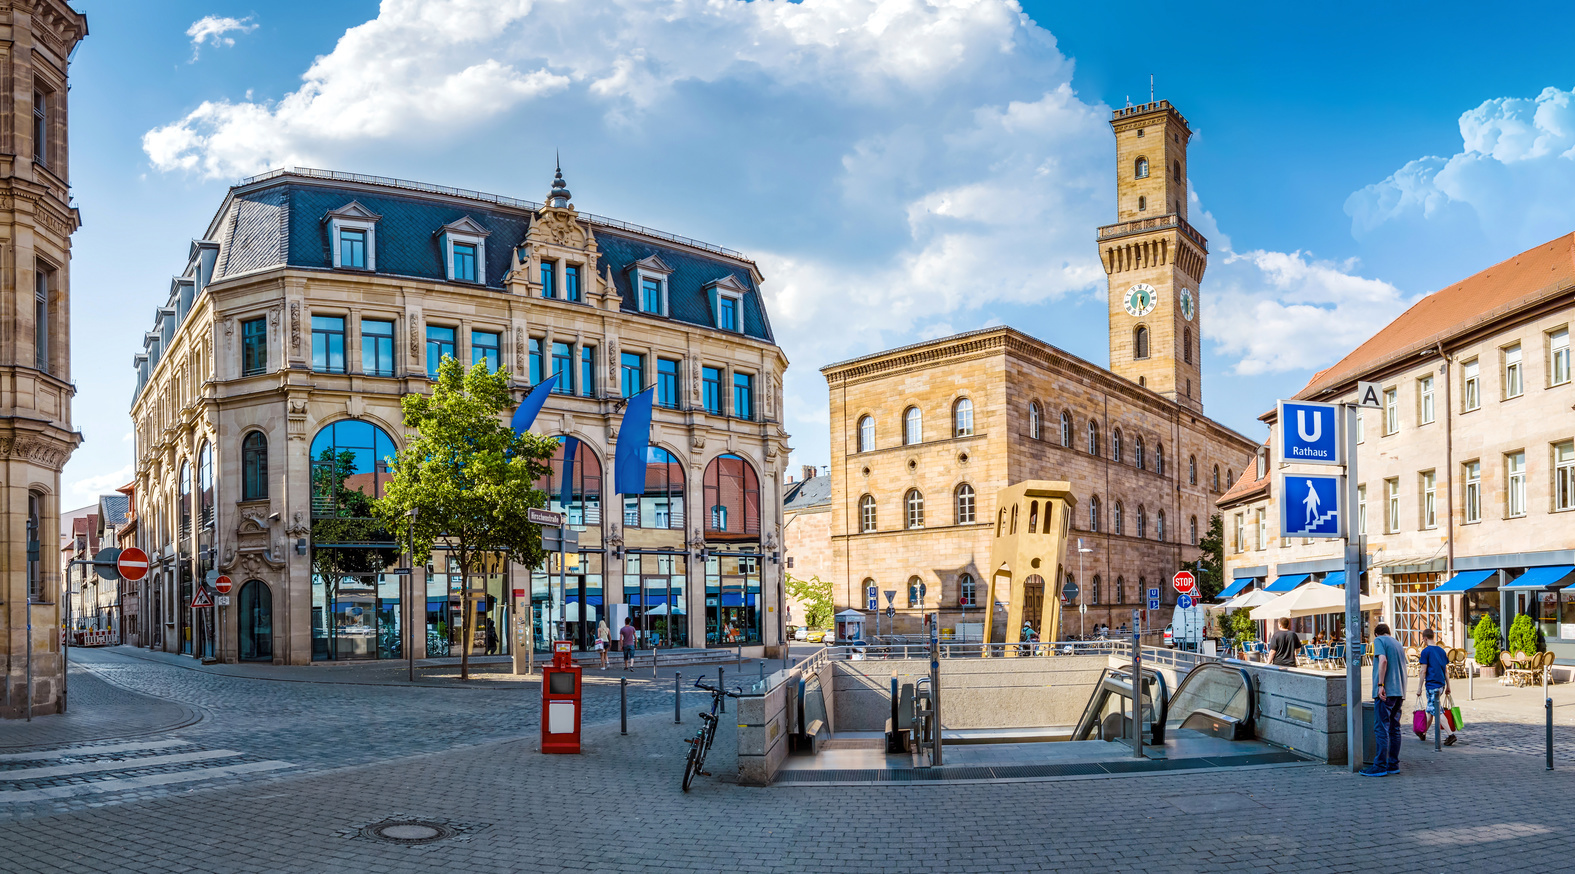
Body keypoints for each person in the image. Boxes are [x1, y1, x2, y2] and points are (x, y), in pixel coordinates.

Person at [1362, 622, 1408, 777]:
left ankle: (1380, 765)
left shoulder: (1379, 641)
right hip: (1399, 691)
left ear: (1376, 634)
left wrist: (1380, 685)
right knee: (1395, 728)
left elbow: (1383, 661)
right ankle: (1393, 764)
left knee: (1381, 728)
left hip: (1386, 692)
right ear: (1388, 632)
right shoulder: (1398, 643)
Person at [1416, 629, 1456, 746]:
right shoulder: (1442, 651)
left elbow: (1423, 671)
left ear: (1424, 638)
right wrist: (1448, 685)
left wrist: (1419, 688)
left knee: (1437, 710)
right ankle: (1423, 733)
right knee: (1430, 710)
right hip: (1441, 685)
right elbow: (1445, 670)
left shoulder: (1425, 652)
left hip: (1432, 685)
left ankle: (1450, 735)